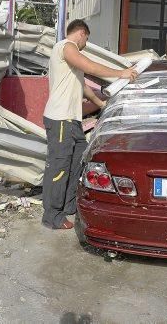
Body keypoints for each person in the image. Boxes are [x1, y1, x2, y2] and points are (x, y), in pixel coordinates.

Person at [42, 19, 137, 230]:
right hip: (60, 120)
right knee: (59, 167)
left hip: (72, 121)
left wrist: (100, 103)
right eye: (87, 39)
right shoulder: (66, 46)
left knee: (77, 164)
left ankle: (68, 208)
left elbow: (82, 85)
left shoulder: (71, 60)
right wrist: (121, 73)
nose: (86, 43)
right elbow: (89, 66)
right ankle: (52, 216)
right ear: (82, 33)